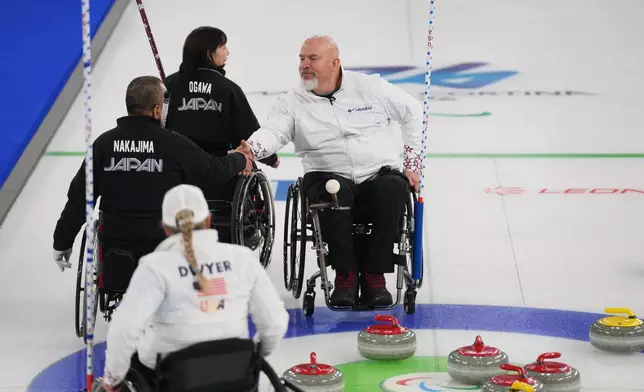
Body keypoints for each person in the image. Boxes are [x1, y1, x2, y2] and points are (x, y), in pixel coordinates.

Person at [244, 35, 423, 308]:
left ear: (335, 63)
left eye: (313, 59)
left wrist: (412, 166)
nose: (304, 64)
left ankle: (374, 276)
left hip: (378, 173)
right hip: (326, 175)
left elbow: (412, 112)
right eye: (302, 58)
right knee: (333, 195)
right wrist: (251, 149)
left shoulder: (371, 87)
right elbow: (273, 132)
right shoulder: (292, 102)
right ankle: (345, 275)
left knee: (394, 189)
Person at [53, 75, 254, 295]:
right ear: (157, 110)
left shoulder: (103, 145)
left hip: (116, 242)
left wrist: (62, 241)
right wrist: (240, 159)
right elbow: (212, 171)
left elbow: (79, 198)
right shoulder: (173, 143)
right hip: (164, 244)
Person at [101, 184, 289, 391]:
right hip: (237, 375)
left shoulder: (154, 266)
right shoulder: (242, 258)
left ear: (165, 227)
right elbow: (275, 324)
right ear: (208, 220)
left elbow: (125, 330)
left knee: (138, 359)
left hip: (172, 378)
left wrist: (112, 379)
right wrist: (254, 357)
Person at [164, 26, 279, 244]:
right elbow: (248, 134)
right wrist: (270, 158)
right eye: (223, 47)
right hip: (219, 168)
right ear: (209, 53)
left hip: (176, 169)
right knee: (245, 165)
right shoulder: (227, 89)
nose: (227, 52)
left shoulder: (168, 85)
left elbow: (157, 128)